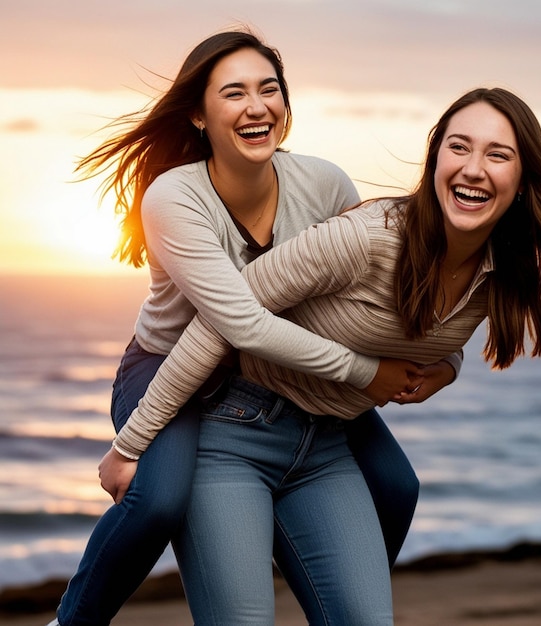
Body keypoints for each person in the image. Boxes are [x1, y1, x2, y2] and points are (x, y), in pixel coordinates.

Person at [100, 87, 541, 625]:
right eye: (459, 147)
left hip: (325, 443)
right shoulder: (368, 238)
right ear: (435, 158)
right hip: (231, 431)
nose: (474, 168)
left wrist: (446, 370)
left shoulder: (502, 269)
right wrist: (130, 444)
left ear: (523, 178)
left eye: (498, 154)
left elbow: (442, 329)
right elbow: (220, 321)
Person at [48, 28, 461, 626]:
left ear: (287, 107)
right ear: (197, 113)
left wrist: (447, 363)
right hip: (173, 368)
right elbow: (239, 322)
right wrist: (125, 448)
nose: (256, 106)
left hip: (288, 374)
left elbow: (384, 299)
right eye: (234, 93)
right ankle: (73, 620)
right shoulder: (174, 197)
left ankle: (328, 573)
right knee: (159, 498)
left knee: (397, 487)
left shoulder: (324, 184)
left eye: (270, 90)